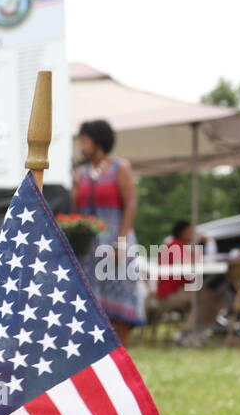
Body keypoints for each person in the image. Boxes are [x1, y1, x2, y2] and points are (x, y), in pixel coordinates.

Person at [73, 119, 143, 345]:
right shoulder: (81, 173)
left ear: (98, 141)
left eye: (85, 140)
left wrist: (121, 241)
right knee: (92, 302)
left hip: (116, 241)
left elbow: (130, 204)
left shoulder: (119, 167)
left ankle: (121, 353)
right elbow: (76, 209)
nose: (81, 145)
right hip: (89, 248)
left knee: (119, 297)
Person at [153, 220, 221, 344]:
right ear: (182, 232)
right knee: (206, 296)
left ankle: (195, 332)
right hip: (170, 295)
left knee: (211, 295)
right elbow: (193, 264)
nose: (194, 233)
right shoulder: (174, 246)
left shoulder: (179, 246)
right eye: (191, 231)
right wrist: (206, 244)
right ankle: (187, 333)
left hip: (177, 291)